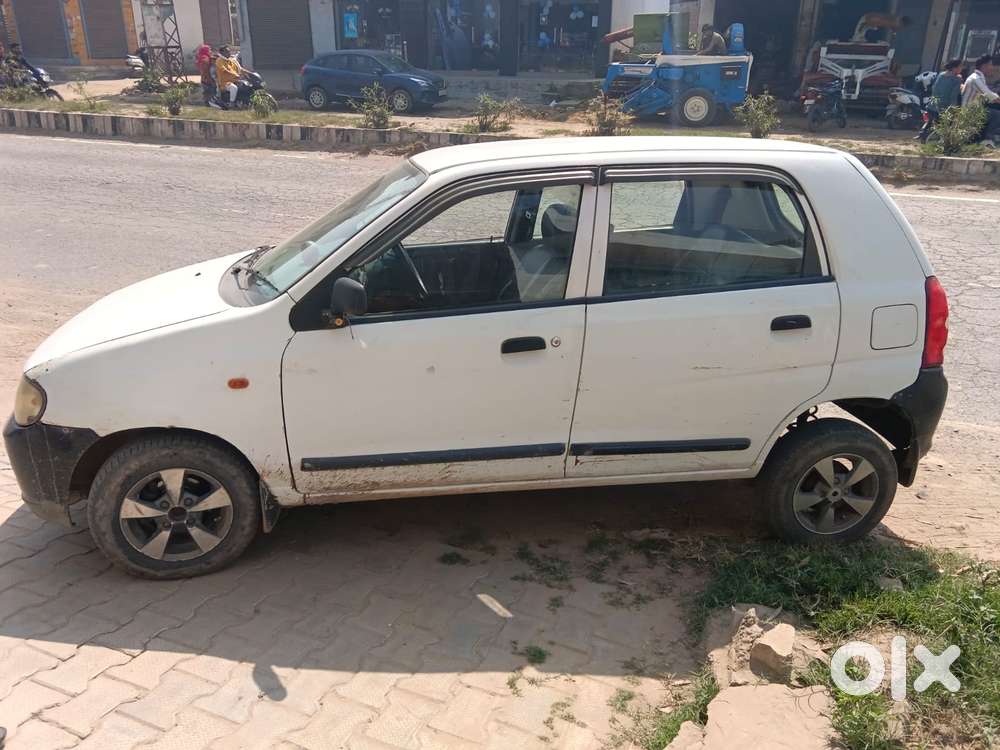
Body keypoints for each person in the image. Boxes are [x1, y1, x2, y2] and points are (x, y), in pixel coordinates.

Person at [918, 58, 963, 142]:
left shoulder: (941, 75)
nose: (962, 68)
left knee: (931, 122)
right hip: (944, 108)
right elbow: (953, 96)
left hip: (932, 106)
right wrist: (954, 110)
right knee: (947, 127)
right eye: (960, 66)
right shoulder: (956, 79)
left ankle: (923, 134)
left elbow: (934, 88)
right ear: (954, 68)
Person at [962, 54, 1000, 145]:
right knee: (997, 115)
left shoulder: (978, 77)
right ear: (984, 66)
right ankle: (987, 139)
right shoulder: (976, 78)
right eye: (991, 65)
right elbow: (988, 94)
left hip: (975, 109)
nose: (993, 67)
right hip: (970, 111)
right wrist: (996, 98)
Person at [213, 45, 247, 109]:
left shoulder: (230, 60)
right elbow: (225, 70)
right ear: (222, 53)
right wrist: (235, 75)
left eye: (229, 51)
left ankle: (242, 101)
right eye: (227, 51)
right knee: (234, 88)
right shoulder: (219, 61)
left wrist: (250, 73)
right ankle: (231, 103)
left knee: (244, 85)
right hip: (225, 82)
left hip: (234, 80)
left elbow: (240, 69)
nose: (229, 53)